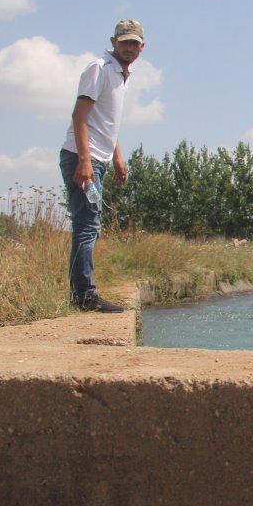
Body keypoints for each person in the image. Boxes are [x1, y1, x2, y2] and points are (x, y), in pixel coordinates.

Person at [58, 19, 144, 312]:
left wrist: (117, 156)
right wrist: (85, 163)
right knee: (87, 226)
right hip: (84, 157)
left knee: (90, 225)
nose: (130, 48)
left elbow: (106, 123)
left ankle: (84, 292)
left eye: (134, 43)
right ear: (113, 43)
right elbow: (79, 116)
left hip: (99, 158)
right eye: (125, 43)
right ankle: (84, 295)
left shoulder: (121, 75)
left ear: (142, 46)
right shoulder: (100, 68)